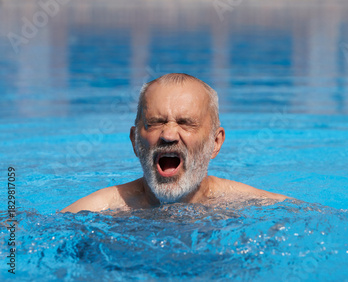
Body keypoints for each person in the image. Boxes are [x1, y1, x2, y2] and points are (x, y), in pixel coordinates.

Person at [62, 73, 290, 213]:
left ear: (215, 142)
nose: (169, 135)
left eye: (186, 123)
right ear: (135, 141)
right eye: (155, 122)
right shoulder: (95, 211)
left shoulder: (261, 207)